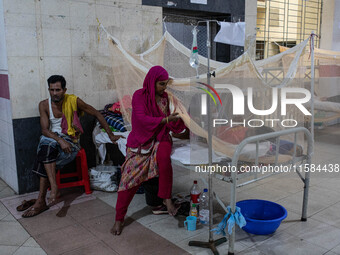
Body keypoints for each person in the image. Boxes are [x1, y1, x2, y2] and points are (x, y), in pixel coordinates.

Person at [21, 75, 122, 218]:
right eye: (51, 90)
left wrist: (111, 135)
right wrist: (60, 140)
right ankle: (52, 189)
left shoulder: (73, 101)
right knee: (47, 144)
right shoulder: (44, 105)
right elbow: (45, 130)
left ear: (64, 90)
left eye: (58, 90)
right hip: (54, 143)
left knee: (45, 153)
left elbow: (97, 113)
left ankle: (41, 200)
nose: (54, 93)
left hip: (71, 145)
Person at [111, 66, 185, 235]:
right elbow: (142, 119)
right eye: (161, 84)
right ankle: (119, 219)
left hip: (161, 138)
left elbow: (170, 124)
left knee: (165, 161)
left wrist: (181, 119)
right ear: (152, 82)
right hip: (141, 141)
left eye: (165, 84)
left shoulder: (166, 98)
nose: (164, 88)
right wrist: (166, 118)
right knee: (127, 182)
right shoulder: (139, 96)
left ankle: (166, 199)